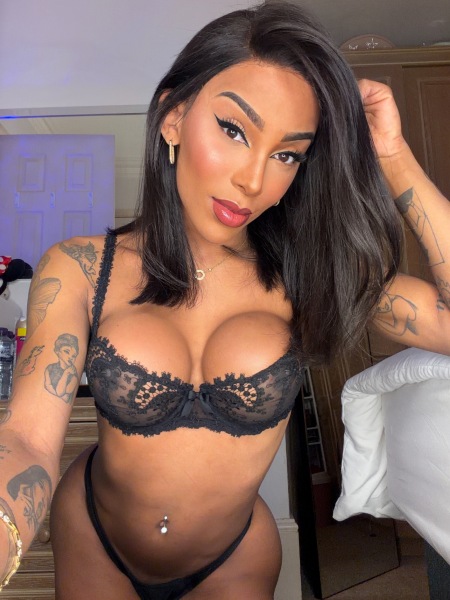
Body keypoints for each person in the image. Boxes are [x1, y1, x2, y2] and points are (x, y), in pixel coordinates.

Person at [0, 2, 449, 598]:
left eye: (287, 154)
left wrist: (394, 158)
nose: (253, 180)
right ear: (172, 117)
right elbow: (28, 439)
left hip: (233, 558)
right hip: (95, 540)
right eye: (234, 130)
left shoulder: (310, 276)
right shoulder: (82, 268)